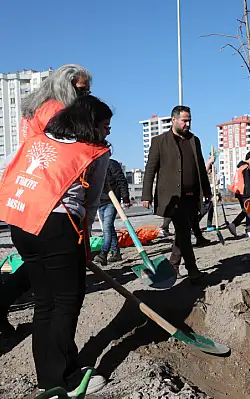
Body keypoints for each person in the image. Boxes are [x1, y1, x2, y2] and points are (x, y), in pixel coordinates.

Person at [0, 95, 112, 394]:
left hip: (21, 224)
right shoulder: (93, 151)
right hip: (58, 228)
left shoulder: (39, 139)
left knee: (45, 304)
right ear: (91, 124)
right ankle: (69, 380)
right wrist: (84, 245)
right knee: (66, 304)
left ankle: (48, 380)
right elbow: (90, 204)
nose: (108, 132)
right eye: (105, 125)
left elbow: (9, 170)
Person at [0, 64, 92, 340]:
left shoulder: (38, 110)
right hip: (50, 200)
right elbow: (61, 155)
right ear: (66, 87)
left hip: (33, 198)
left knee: (37, 267)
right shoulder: (55, 112)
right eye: (81, 90)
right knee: (57, 293)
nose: (86, 95)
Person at [142, 105, 211, 282]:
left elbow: (200, 167)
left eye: (189, 120)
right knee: (183, 230)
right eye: (184, 120)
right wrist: (146, 195)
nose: (188, 124)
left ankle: (173, 265)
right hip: (173, 198)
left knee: (183, 231)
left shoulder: (194, 140)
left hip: (192, 196)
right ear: (174, 120)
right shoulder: (160, 141)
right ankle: (192, 269)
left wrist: (207, 190)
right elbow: (150, 169)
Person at [94, 159, 131, 265]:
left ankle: (103, 253)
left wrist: (125, 198)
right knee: (109, 228)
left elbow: (121, 180)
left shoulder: (111, 164)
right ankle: (116, 253)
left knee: (106, 228)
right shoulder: (95, 166)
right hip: (100, 202)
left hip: (112, 201)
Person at [227, 151, 250, 238]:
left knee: (246, 211)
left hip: (239, 192)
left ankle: (234, 225)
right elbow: (247, 183)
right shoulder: (246, 168)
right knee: (249, 210)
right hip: (244, 193)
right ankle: (247, 230)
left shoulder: (240, 167)